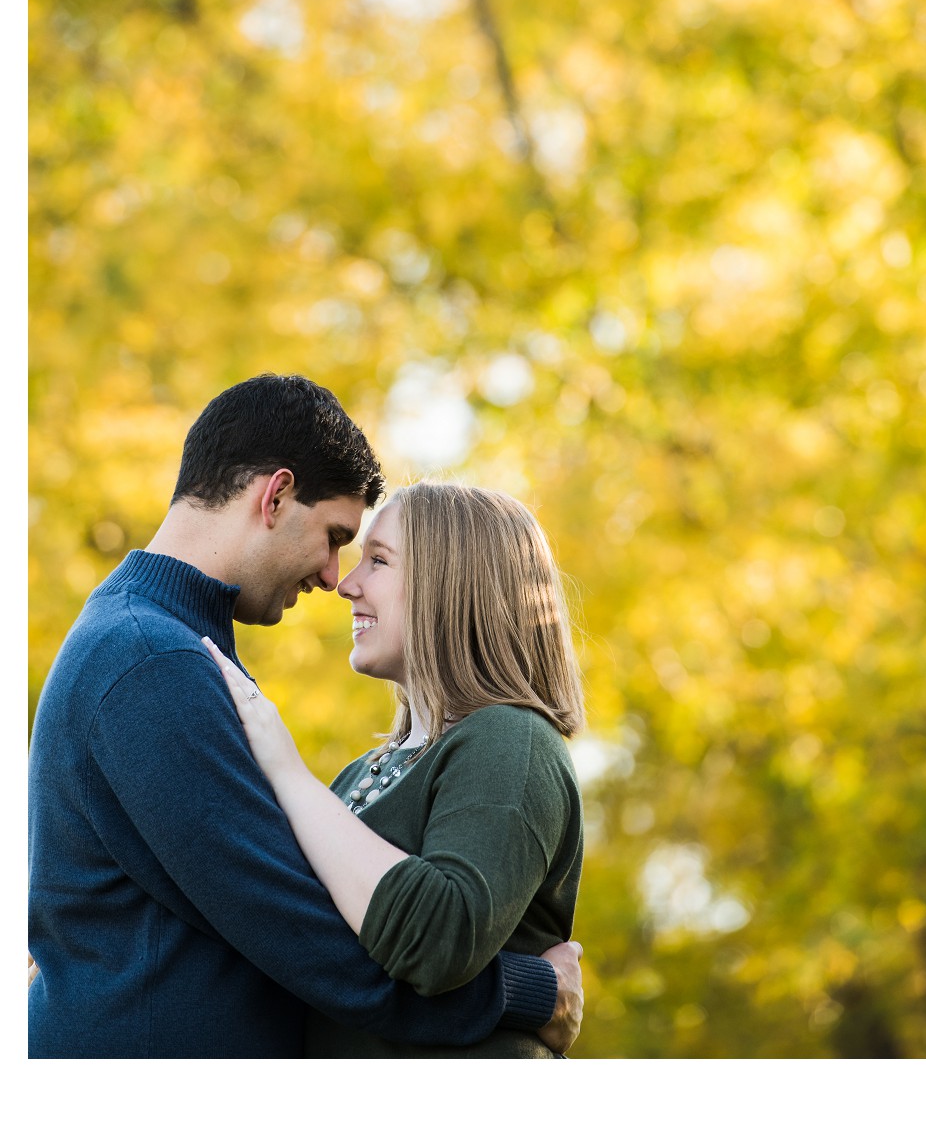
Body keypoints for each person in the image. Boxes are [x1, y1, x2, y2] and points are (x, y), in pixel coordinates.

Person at [27, 374, 583, 1056]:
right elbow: (307, 937)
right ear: (276, 494)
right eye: (335, 537)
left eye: (367, 555)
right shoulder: (153, 660)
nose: (333, 576)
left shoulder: (168, 647)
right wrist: (523, 993)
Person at [206, 480, 587, 1056]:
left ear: (451, 585)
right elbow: (299, 945)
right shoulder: (360, 776)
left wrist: (286, 773)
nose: (347, 584)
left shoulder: (510, 739)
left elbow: (438, 939)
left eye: (378, 561)